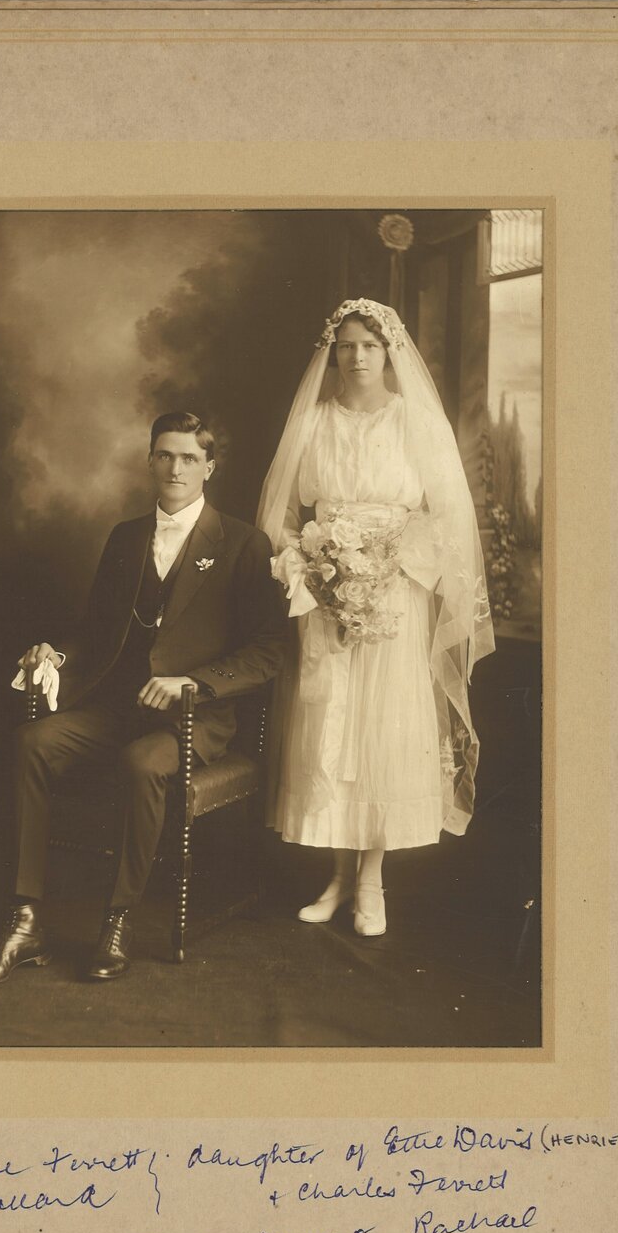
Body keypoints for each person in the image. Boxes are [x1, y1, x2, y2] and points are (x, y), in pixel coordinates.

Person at [0, 411, 287, 985]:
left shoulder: (243, 543)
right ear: (149, 462)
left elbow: (267, 653)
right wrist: (56, 655)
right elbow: (94, 634)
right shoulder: (126, 537)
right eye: (164, 455)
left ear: (209, 467)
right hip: (118, 706)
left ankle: (118, 917)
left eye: (189, 458)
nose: (175, 468)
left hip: (194, 718)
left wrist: (196, 683)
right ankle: (25, 916)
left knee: (142, 764)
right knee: (32, 742)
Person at [256, 298, 495, 938]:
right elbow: (281, 516)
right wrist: (304, 563)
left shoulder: (415, 422)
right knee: (329, 725)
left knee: (382, 728)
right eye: (345, 346)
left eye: (369, 345)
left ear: (390, 352)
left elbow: (447, 520)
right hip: (325, 591)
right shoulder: (312, 423)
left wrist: (387, 567)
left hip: (394, 596)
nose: (357, 357)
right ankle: (337, 875)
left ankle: (371, 881)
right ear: (331, 354)